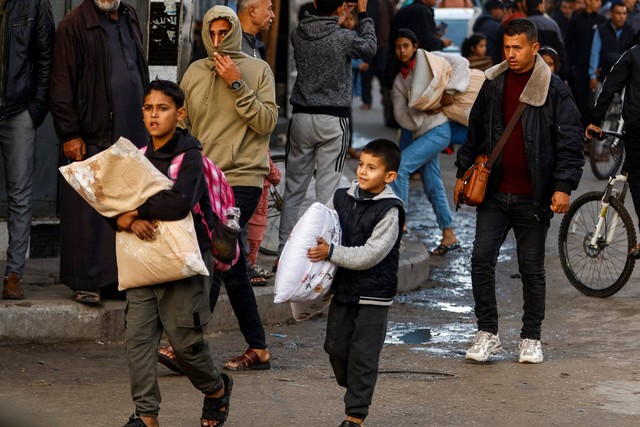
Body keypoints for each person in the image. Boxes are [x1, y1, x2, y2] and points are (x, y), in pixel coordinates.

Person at [455, 18, 584, 364]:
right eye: (506, 48)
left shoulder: (555, 90)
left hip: (534, 197)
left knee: (531, 268)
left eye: (518, 48)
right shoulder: (493, 83)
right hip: (495, 193)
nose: (510, 54)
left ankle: (531, 337)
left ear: (534, 48)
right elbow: (476, 130)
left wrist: (563, 187)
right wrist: (460, 172)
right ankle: (487, 333)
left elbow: (570, 142)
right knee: (481, 259)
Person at [117, 80, 232, 427]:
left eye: (163, 108)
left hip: (185, 262)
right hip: (142, 262)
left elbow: (179, 202)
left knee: (185, 345)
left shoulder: (190, 157)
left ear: (179, 114)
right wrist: (123, 221)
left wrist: (135, 212)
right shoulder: (135, 157)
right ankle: (146, 415)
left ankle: (215, 389)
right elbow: (113, 199)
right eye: (149, 108)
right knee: (137, 342)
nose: (154, 115)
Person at [180, 5, 277, 371]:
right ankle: (257, 348)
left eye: (224, 33)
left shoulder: (257, 70)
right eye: (212, 34)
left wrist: (237, 83)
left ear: (235, 31)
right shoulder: (194, 72)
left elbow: (267, 122)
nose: (218, 41)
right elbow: (185, 125)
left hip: (241, 179)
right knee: (226, 263)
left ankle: (189, 344)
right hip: (204, 177)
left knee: (219, 254)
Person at [50, 0, 149, 306]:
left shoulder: (130, 15)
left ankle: (113, 281)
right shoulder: (74, 23)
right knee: (87, 213)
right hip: (92, 132)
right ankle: (85, 282)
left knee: (123, 207)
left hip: (130, 132)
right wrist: (70, 132)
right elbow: (61, 82)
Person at [307, 139, 404, 427]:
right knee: (335, 348)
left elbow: (372, 254)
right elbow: (322, 227)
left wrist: (332, 252)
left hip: (375, 294)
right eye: (361, 164)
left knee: (363, 354)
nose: (362, 171)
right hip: (344, 289)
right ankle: (358, 385)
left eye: (371, 168)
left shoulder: (391, 209)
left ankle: (355, 415)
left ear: (389, 177)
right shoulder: (340, 198)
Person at [277, 0, 376, 257]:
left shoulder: (298, 33)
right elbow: (370, 47)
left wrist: (335, 15)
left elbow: (321, 31)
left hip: (300, 117)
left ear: (315, 3)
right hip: (333, 120)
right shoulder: (343, 37)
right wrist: (363, 13)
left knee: (294, 187)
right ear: (340, 7)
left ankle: (283, 251)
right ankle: (320, 250)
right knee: (327, 191)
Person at [0, 0, 54, 300]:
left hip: (19, 111)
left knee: (20, 195)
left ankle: (13, 274)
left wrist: (36, 110)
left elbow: (46, 58)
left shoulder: (34, 4)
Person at [391, 29, 460, 254]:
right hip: (422, 134)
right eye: (398, 47)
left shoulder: (429, 61)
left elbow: (458, 65)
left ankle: (399, 224)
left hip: (440, 131)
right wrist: (421, 113)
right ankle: (449, 234)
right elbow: (400, 115)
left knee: (400, 167)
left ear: (415, 46)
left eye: (406, 46)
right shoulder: (398, 81)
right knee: (432, 185)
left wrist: (447, 96)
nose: (402, 51)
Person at [585, 42, 640, 257]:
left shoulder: (633, 55)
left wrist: (595, 120)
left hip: (637, 125)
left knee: (636, 175)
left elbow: (610, 86)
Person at [565, 0, 606, 127]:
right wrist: (569, 69)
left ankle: (590, 135)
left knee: (593, 104)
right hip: (578, 70)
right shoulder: (576, 19)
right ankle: (579, 135)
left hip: (595, 71)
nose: (599, 3)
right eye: (596, 0)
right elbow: (568, 45)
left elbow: (605, 47)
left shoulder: (602, 21)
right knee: (578, 103)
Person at [588, 0, 635, 91]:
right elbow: (595, 52)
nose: (622, 17)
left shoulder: (630, 31)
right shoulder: (601, 30)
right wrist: (592, 75)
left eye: (624, 13)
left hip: (624, 79)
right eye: (618, 13)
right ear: (611, 14)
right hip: (604, 77)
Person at [473, 0, 507, 66]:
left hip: (481, 63)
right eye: (502, 10)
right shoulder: (496, 27)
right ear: (495, 10)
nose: (503, 14)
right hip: (493, 64)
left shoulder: (480, 23)